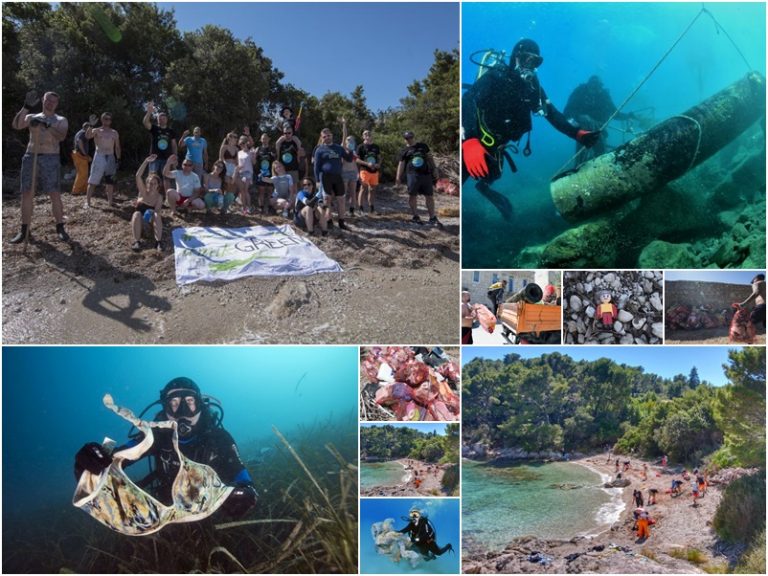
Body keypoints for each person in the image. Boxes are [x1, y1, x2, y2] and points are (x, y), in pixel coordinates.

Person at [74, 377, 257, 517]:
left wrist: (246, 492)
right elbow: (115, 458)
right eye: (174, 404)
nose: (183, 412)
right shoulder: (156, 437)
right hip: (169, 505)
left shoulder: (219, 438)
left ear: (200, 405)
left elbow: (241, 474)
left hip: (210, 505)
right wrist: (89, 463)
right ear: (165, 409)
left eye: (190, 402)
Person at [461, 39, 600, 220]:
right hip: (476, 138)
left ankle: (484, 188)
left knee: (491, 173)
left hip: (498, 145)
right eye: (527, 59)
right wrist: (470, 141)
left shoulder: (532, 87)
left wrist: (577, 133)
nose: (530, 65)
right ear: (516, 57)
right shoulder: (495, 77)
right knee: (459, 177)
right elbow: (468, 100)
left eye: (535, 62)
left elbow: (552, 113)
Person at [10, 90, 70, 243]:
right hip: (31, 156)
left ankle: (60, 227)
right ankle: (24, 230)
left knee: (54, 193)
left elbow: (61, 136)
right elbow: (16, 125)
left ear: (57, 104)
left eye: (53, 101)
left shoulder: (60, 120)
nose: (50, 103)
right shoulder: (32, 117)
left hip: (51, 157)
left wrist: (47, 125)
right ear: (43, 101)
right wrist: (26, 107)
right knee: (27, 193)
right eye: (47, 100)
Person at [563, 75, 634, 164]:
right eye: (592, 86)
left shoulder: (604, 96)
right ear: (588, 85)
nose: (594, 89)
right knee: (581, 153)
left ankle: (601, 162)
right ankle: (579, 165)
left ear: (600, 87)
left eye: (597, 86)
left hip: (599, 128)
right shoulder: (579, 92)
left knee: (601, 152)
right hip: (581, 128)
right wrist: (578, 121)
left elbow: (615, 114)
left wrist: (628, 116)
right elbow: (566, 114)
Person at [396, 131, 442, 227]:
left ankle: (432, 217)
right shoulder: (404, 150)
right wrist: (398, 177)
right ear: (404, 139)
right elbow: (401, 164)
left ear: (413, 137)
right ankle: (415, 216)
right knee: (412, 195)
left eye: (410, 137)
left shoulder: (423, 146)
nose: (409, 139)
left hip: (425, 174)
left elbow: (430, 158)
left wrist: (435, 169)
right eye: (407, 138)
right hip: (412, 175)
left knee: (429, 195)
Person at [314, 124, 355, 231]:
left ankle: (341, 222)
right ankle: (329, 221)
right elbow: (316, 166)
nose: (327, 138)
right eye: (324, 136)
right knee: (327, 200)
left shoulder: (338, 148)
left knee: (341, 199)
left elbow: (349, 159)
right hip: (325, 177)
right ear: (322, 138)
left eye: (328, 135)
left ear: (331, 135)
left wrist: (350, 150)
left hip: (337, 177)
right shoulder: (320, 150)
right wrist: (317, 181)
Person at [85, 112, 121, 208]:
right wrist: (90, 125)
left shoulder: (114, 133)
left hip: (110, 157)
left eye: (108, 119)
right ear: (102, 119)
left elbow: (117, 147)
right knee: (93, 180)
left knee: (110, 181)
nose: (107, 121)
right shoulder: (97, 130)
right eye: (105, 119)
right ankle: (87, 202)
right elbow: (88, 136)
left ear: (111, 121)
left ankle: (110, 202)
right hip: (99, 156)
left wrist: (118, 159)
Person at [131, 154, 163, 252]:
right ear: (146, 183)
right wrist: (146, 161)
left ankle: (158, 242)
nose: (151, 185)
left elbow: (157, 212)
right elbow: (138, 176)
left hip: (150, 224)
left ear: (158, 185)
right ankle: (137, 242)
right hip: (139, 222)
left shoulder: (159, 197)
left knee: (157, 215)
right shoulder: (144, 192)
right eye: (149, 183)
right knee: (136, 213)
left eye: (154, 183)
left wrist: (151, 213)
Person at [143, 101, 177, 192]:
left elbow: (174, 145)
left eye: (163, 118)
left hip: (167, 158)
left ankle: (167, 198)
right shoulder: (154, 128)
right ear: (157, 120)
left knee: (166, 177)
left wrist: (175, 157)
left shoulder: (171, 131)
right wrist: (149, 112)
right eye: (160, 118)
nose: (162, 120)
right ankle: (148, 195)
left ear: (167, 119)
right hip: (154, 157)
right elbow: (146, 122)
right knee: (151, 177)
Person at [356, 129, 381, 215]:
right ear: (363, 136)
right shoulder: (360, 147)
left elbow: (379, 157)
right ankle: (361, 209)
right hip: (364, 170)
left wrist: (378, 164)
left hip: (374, 171)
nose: (367, 135)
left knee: (372, 190)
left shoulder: (376, 147)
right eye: (365, 134)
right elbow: (357, 160)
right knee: (363, 189)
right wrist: (367, 163)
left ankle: (372, 209)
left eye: (369, 133)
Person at [275, 122, 303, 190]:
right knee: (284, 189)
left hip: (293, 169)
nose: (287, 135)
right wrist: (278, 143)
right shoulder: (281, 143)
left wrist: (297, 141)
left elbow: (301, 152)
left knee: (294, 189)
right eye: (285, 133)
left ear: (292, 133)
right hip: (283, 170)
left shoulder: (295, 142)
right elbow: (277, 155)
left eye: (289, 133)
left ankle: (294, 201)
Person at [254, 133, 277, 213]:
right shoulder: (258, 149)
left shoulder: (272, 149)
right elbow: (254, 162)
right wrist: (255, 154)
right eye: (263, 138)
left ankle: (270, 207)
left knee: (271, 191)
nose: (264, 140)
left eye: (266, 138)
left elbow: (275, 160)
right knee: (261, 191)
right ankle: (261, 207)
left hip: (271, 173)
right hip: (261, 173)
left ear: (269, 139)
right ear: (260, 140)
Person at [234, 135, 256, 214]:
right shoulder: (239, 152)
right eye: (240, 143)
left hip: (248, 173)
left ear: (247, 143)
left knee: (246, 190)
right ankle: (244, 208)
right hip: (240, 173)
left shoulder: (251, 152)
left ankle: (249, 207)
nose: (242, 145)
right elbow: (237, 163)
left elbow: (254, 163)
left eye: (243, 143)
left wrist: (253, 155)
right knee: (242, 191)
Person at [71, 121, 91, 195]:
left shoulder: (79, 132)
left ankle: (83, 189)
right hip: (80, 155)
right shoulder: (83, 133)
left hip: (77, 154)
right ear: (87, 128)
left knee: (83, 173)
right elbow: (79, 142)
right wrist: (85, 154)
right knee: (82, 174)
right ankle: (76, 191)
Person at [342, 135, 360, 216]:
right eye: (348, 139)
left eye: (352, 140)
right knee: (344, 193)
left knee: (353, 192)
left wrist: (357, 173)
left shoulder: (354, 152)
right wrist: (344, 125)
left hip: (353, 172)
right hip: (344, 172)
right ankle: (343, 210)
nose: (350, 141)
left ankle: (352, 210)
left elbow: (355, 163)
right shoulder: (343, 150)